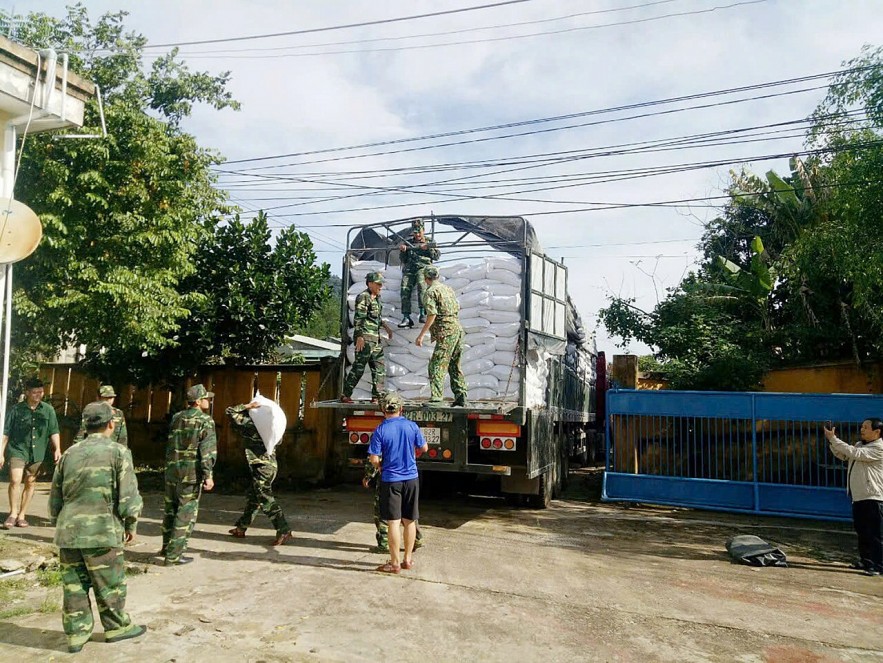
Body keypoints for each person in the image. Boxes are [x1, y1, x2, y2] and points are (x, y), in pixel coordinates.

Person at [49, 401, 146, 653]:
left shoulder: (69, 453)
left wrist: (59, 523)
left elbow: (55, 498)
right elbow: (128, 498)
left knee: (74, 586)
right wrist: (131, 523)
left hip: (69, 532)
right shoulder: (118, 453)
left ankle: (76, 634)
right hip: (102, 531)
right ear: (111, 424)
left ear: (85, 425)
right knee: (109, 584)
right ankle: (117, 627)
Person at [367, 392, 428, 573]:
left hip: (391, 480)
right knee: (409, 520)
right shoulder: (411, 426)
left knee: (393, 522)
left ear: (383, 410)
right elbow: (423, 448)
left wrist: (380, 467)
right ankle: (408, 560)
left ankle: (394, 563)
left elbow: (374, 458)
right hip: (411, 478)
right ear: (401, 408)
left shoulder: (380, 430)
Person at [161, 384, 217, 566]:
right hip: (190, 474)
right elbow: (207, 451)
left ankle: (166, 548)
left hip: (172, 471)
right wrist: (208, 475)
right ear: (199, 401)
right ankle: (174, 556)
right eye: (206, 398)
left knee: (170, 510)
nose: (209, 401)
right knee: (185, 514)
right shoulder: (205, 420)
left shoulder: (177, 417)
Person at [226, 400, 292, 546]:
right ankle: (241, 528)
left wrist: (248, 406)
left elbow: (230, 411)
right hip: (269, 466)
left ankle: (283, 529)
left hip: (261, 467)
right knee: (254, 498)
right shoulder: (270, 428)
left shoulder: (251, 425)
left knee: (265, 499)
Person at [825, 418, 883, 576]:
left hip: (873, 497)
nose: (862, 430)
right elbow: (844, 455)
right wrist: (832, 443)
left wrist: (834, 439)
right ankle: (866, 561)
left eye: (866, 427)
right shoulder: (859, 445)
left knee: (875, 534)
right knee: (862, 532)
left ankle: (879, 565)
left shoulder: (879, 447)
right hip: (859, 496)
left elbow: (855, 453)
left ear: (877, 432)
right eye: (862, 426)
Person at [1, 377, 61, 529]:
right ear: (27, 393)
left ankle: (22, 515)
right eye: (34, 392)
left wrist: (57, 449)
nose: (38, 395)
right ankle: (13, 513)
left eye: (40, 392)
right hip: (18, 449)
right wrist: (1, 452)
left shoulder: (48, 410)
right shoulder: (16, 409)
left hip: (38, 452)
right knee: (15, 480)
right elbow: (6, 432)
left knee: (30, 482)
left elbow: (54, 431)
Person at [415, 266, 469, 407]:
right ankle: (461, 396)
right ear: (437, 276)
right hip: (457, 329)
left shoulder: (430, 292)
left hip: (446, 332)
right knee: (454, 365)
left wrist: (421, 335)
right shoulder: (448, 289)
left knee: (436, 365)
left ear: (426, 278)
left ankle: (436, 399)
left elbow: (432, 314)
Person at [341, 271, 394, 404]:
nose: (380, 287)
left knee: (379, 368)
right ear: (370, 284)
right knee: (359, 368)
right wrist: (359, 336)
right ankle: (346, 394)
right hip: (365, 339)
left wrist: (386, 327)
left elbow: (375, 317)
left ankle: (377, 396)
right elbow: (359, 317)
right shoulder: (364, 297)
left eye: (381, 284)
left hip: (375, 340)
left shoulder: (376, 298)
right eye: (378, 284)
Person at [363, 456, 424, 553]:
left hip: (389, 479)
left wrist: (368, 476)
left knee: (384, 512)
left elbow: (374, 458)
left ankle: (384, 543)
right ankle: (416, 539)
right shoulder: (407, 440)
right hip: (408, 477)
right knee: (408, 513)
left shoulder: (382, 440)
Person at [398, 219, 440, 329]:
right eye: (415, 232)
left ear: (423, 231)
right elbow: (403, 260)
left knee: (422, 285)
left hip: (423, 268)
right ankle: (406, 316)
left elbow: (436, 256)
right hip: (410, 269)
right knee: (404, 287)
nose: (417, 235)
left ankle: (423, 313)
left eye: (419, 232)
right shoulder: (408, 242)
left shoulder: (429, 241)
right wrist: (403, 251)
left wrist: (428, 248)